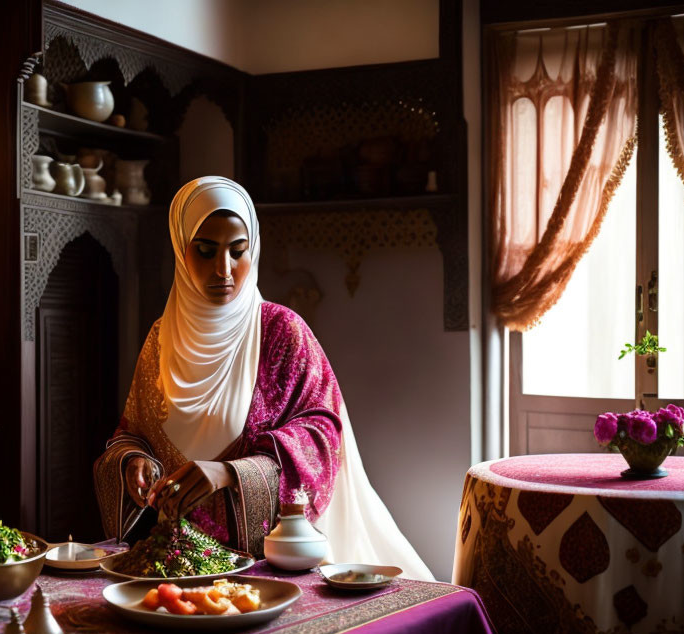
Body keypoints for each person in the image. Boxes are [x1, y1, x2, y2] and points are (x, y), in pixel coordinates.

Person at [93, 176, 432, 580]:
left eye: (239, 252)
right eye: (205, 251)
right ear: (181, 253)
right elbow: (133, 431)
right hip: (179, 565)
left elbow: (322, 434)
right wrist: (132, 461)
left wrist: (230, 473)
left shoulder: (280, 331)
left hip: (271, 563)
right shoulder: (160, 340)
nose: (224, 270)